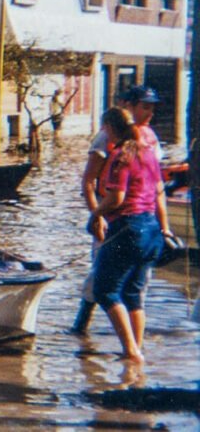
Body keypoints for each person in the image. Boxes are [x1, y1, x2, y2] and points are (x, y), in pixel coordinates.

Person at [74, 86, 164, 334]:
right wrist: (97, 215)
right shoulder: (107, 138)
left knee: (128, 287)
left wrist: (163, 226)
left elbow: (158, 188)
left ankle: (132, 350)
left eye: (152, 108)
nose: (150, 113)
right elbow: (89, 181)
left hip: (137, 219)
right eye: (145, 107)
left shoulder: (149, 139)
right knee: (102, 279)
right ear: (130, 107)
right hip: (115, 218)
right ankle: (82, 329)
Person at [88, 107, 172, 363]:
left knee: (105, 290)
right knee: (133, 294)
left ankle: (131, 351)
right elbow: (159, 193)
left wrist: (96, 214)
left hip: (127, 228)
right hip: (151, 230)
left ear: (110, 128)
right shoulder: (148, 153)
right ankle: (137, 351)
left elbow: (117, 198)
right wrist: (165, 227)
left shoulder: (120, 156)